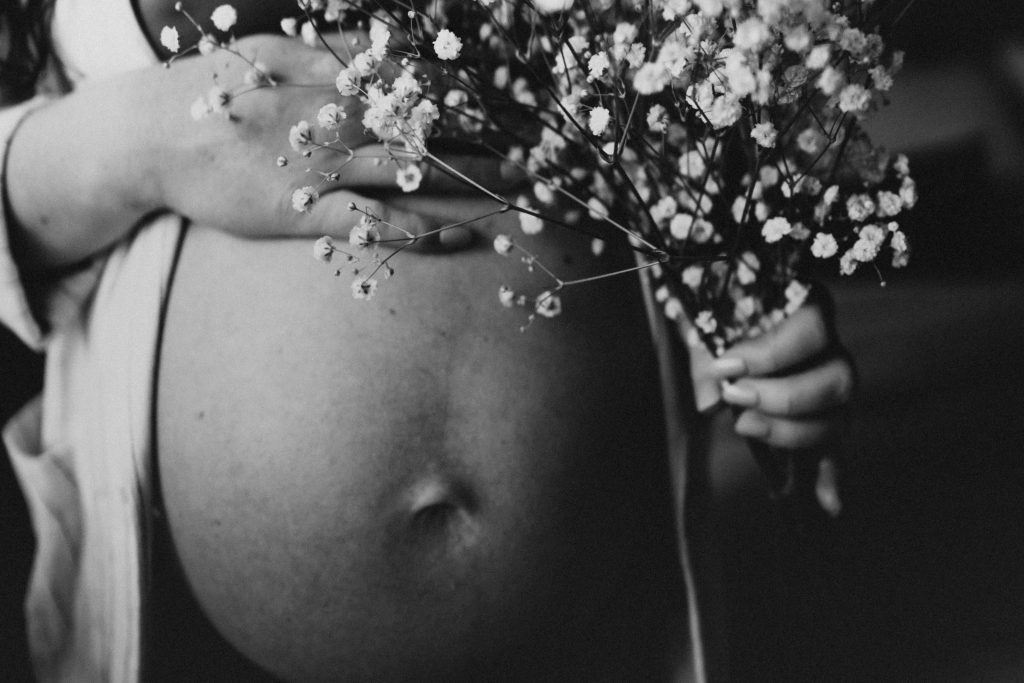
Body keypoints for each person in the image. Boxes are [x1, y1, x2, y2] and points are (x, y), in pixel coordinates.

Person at [0, 0, 856, 680]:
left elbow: (700, 99)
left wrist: (758, 285)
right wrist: (144, 141)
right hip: (194, 641)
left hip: (603, 615)